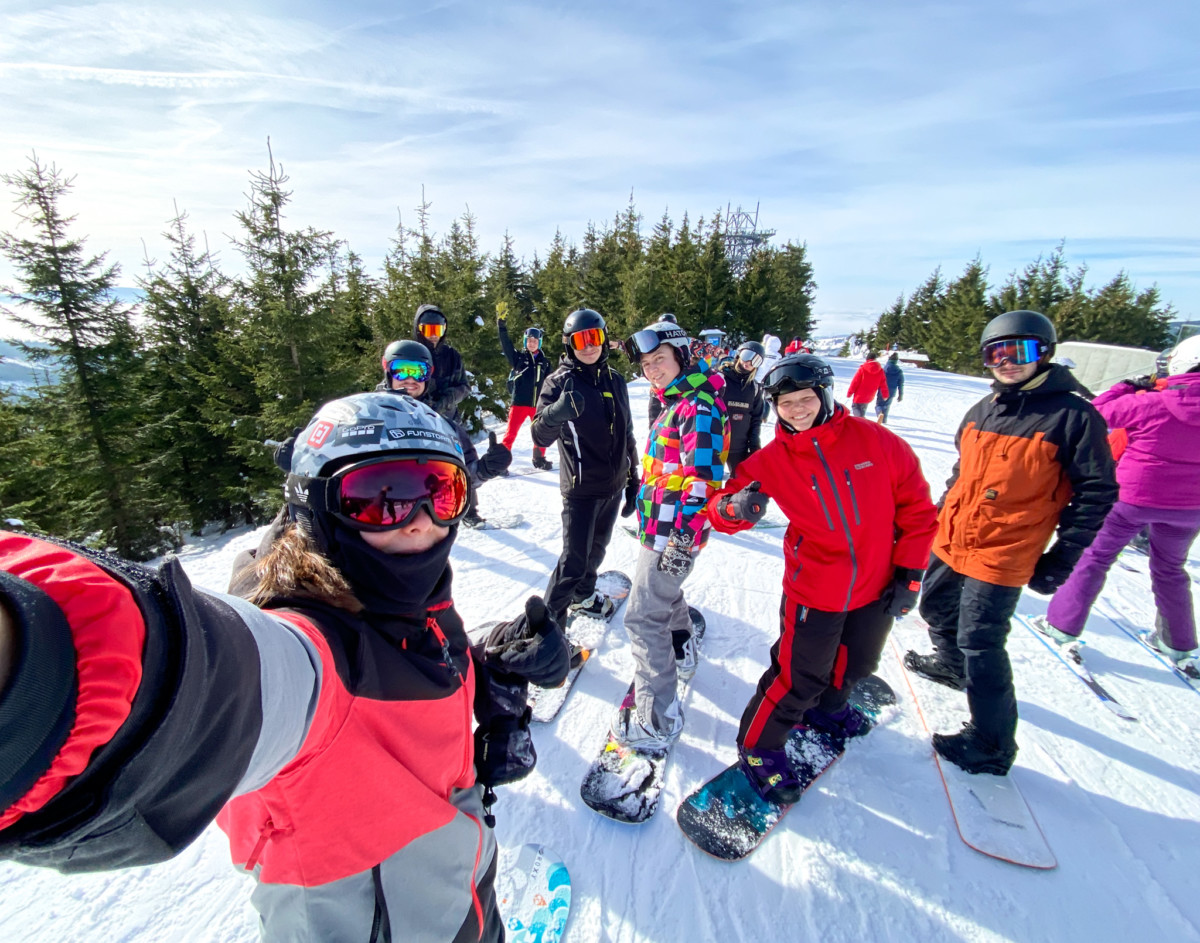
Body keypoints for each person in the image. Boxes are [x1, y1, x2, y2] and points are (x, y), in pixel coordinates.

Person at [0, 392, 569, 942]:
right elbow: (191, 679)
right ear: (314, 507)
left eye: (441, 492)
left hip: (459, 877)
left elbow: (406, 671)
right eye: (381, 497)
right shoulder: (306, 655)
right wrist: (34, 656)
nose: (421, 521)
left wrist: (488, 661)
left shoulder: (413, 595)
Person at [707, 353, 938, 802]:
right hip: (815, 588)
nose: (796, 410)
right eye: (786, 403)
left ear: (825, 395)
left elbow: (918, 510)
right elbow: (723, 503)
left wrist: (910, 574)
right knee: (800, 678)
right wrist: (733, 508)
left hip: (877, 583)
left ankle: (829, 710)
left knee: (858, 664)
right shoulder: (774, 460)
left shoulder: (877, 441)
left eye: (805, 399)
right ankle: (759, 747)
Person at [904, 310, 1117, 775]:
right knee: (935, 608)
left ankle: (992, 744)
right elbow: (962, 474)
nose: (1007, 361)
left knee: (981, 641)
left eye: (1019, 351)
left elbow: (1097, 492)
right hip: (953, 536)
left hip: (1005, 549)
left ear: (1045, 353)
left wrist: (1063, 558)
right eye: (996, 353)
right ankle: (951, 665)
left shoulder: (1074, 417)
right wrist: (938, 516)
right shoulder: (983, 409)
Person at [1038, 334, 1200, 669]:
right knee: (1171, 569)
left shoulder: (1153, 402)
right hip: (1189, 508)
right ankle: (1177, 643)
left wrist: (1125, 387)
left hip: (1133, 498)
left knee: (1094, 557)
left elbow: (1095, 413)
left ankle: (1062, 626)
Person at [618, 320, 728, 747]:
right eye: (646, 364)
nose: (652, 369)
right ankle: (682, 648)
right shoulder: (678, 400)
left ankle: (657, 719)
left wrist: (682, 539)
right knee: (664, 593)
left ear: (681, 356)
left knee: (643, 616)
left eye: (659, 359)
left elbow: (704, 482)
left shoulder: (697, 407)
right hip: (659, 525)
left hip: (672, 531)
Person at [531, 309, 639, 628]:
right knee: (573, 563)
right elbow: (539, 435)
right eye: (581, 340)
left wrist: (632, 478)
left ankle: (584, 596)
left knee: (596, 551)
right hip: (581, 490)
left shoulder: (615, 380)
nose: (589, 346)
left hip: (613, 486)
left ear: (604, 339)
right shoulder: (558, 383)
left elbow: (627, 432)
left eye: (595, 337)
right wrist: (556, 413)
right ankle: (547, 628)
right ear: (570, 344)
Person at [379, 339, 511, 527]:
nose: (410, 379)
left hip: (428, 523)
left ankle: (469, 513)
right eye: (401, 370)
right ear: (387, 370)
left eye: (419, 371)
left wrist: (485, 469)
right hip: (380, 519)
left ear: (428, 376)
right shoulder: (371, 416)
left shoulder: (442, 424)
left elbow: (461, 476)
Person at [496, 301, 552, 471]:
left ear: (539, 343)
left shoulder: (545, 362)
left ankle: (539, 459)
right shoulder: (519, 358)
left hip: (537, 405)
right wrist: (501, 326)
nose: (532, 343)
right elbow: (506, 345)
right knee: (510, 434)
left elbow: (550, 382)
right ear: (525, 342)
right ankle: (502, 463)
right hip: (519, 403)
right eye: (529, 340)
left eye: (535, 341)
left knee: (540, 433)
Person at [413, 303, 471, 423]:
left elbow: (464, 387)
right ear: (419, 330)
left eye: (438, 330)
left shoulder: (451, 355)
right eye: (429, 330)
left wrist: (446, 400)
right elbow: (394, 381)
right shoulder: (410, 354)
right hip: (415, 417)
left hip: (447, 419)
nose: (434, 335)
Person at [720, 340, 768, 476]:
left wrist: (754, 445)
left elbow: (756, 418)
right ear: (738, 355)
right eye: (747, 355)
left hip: (738, 446)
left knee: (740, 484)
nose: (749, 363)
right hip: (715, 443)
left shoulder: (755, 388)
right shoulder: (720, 379)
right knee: (707, 484)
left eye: (756, 361)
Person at [847, 349, 889, 418]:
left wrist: (850, 393)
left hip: (859, 395)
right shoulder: (880, 371)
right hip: (869, 396)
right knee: (863, 410)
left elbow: (855, 382)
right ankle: (862, 420)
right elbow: (883, 384)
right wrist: (885, 395)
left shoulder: (862, 369)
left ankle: (861, 420)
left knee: (855, 408)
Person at [876, 351, 905, 424]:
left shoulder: (884, 369)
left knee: (879, 405)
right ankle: (884, 422)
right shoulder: (899, 371)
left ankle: (879, 413)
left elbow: (878, 379)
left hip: (882, 390)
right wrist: (900, 395)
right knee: (886, 407)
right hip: (892, 392)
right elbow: (901, 384)